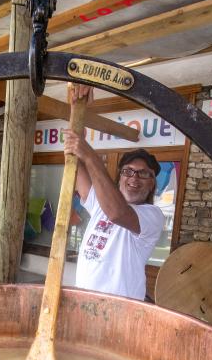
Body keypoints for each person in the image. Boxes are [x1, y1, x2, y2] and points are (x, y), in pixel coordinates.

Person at [63, 85, 165, 301]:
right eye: (128, 172)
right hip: (84, 301)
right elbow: (77, 166)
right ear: (120, 178)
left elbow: (117, 213)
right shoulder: (101, 202)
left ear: (152, 184)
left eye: (143, 174)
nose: (134, 178)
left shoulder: (152, 215)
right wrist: (77, 108)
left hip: (120, 310)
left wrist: (91, 156)